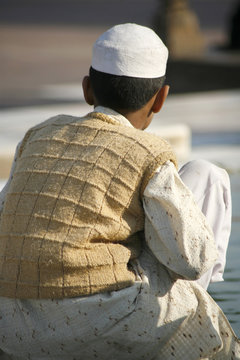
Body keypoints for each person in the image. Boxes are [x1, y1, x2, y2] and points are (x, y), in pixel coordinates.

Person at [0, 23, 239, 360]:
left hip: (12, 327)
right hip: (103, 321)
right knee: (206, 179)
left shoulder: (37, 136)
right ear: (160, 99)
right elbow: (193, 261)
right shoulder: (148, 152)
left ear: (87, 89)